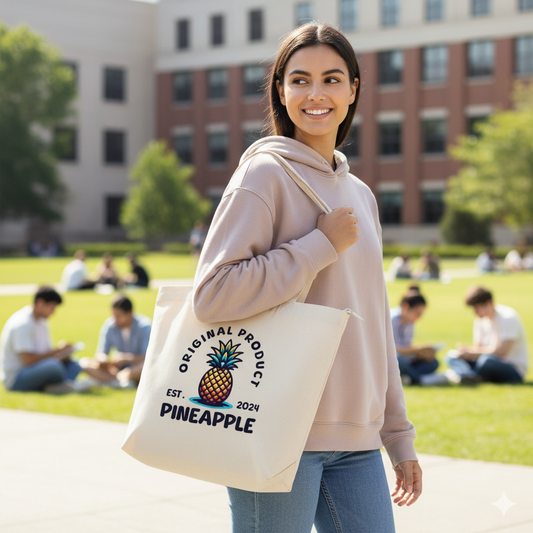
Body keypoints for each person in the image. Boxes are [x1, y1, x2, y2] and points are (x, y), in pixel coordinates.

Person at [192, 22, 421, 532]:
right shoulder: (263, 175)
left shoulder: (360, 194)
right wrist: (318, 247)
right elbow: (213, 295)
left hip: (356, 440)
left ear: (354, 88)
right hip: (274, 428)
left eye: (332, 79)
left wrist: (397, 436)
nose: (316, 94)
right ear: (280, 89)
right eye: (299, 80)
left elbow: (375, 327)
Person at [0, 286, 94, 394]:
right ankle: (65, 386)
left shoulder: (41, 322)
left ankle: (58, 386)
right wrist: (56, 352)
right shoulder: (22, 323)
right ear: (40, 303)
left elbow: (45, 352)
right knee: (53, 367)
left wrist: (62, 354)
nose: (53, 312)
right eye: (52, 308)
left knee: (74, 365)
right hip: (17, 377)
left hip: (37, 368)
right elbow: (27, 360)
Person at [445, 286, 529, 384]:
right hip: (486, 362)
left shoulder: (508, 317)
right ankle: (467, 376)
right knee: (452, 356)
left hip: (512, 368)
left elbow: (502, 352)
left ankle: (466, 376)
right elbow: (479, 348)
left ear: (489, 303)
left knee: (486, 361)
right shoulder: (480, 320)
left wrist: (473, 352)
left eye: (477, 308)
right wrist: (467, 352)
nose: (475, 312)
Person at [80, 295, 151, 388]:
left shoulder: (144, 327)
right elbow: (101, 352)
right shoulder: (110, 325)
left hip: (136, 367)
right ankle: (121, 382)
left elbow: (148, 356)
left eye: (119, 316)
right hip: (116, 369)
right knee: (84, 362)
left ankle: (107, 381)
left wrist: (126, 358)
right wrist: (103, 359)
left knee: (147, 366)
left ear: (129, 313)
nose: (115, 319)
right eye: (113, 315)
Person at [391, 293, 448, 386]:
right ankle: (420, 380)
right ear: (406, 307)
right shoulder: (391, 320)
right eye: (417, 313)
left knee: (433, 362)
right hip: (391, 361)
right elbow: (391, 350)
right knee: (397, 359)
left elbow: (406, 347)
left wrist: (420, 354)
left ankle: (408, 378)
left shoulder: (409, 323)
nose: (419, 317)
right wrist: (418, 349)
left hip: (406, 360)